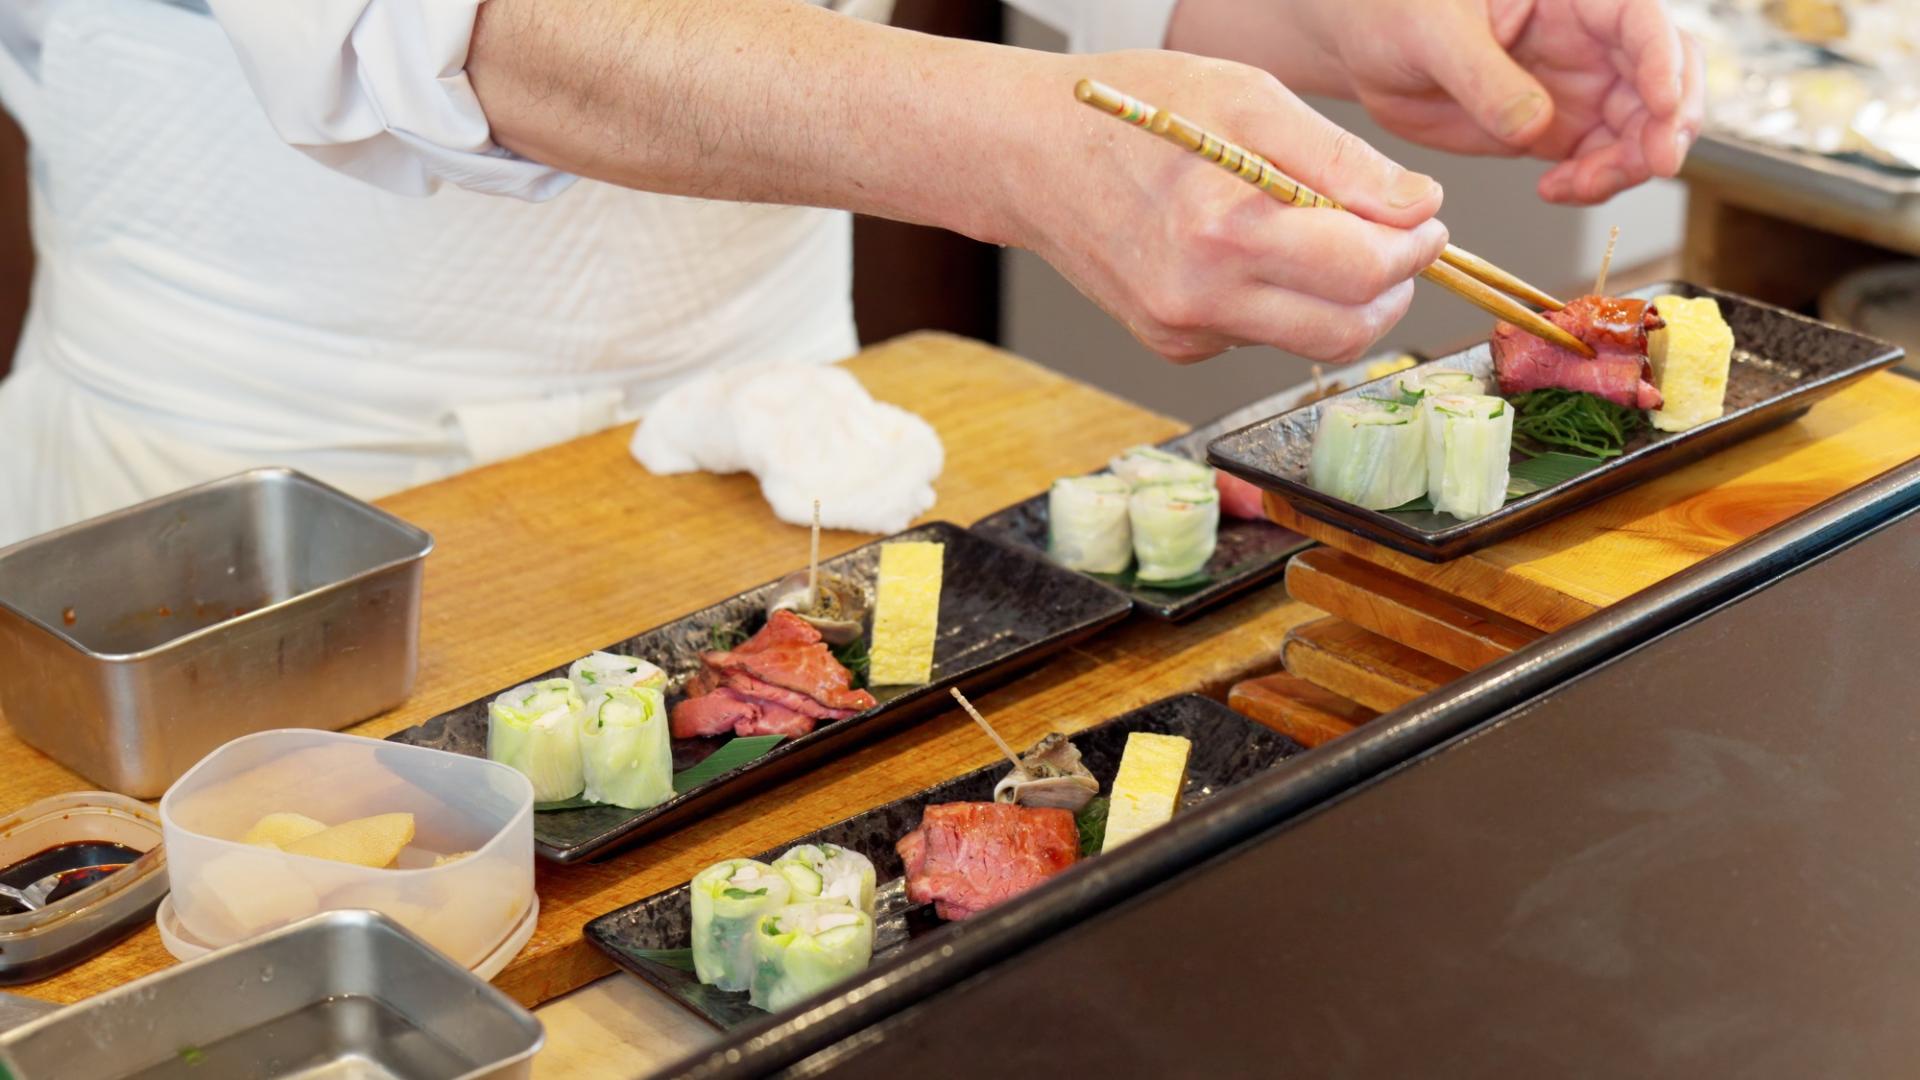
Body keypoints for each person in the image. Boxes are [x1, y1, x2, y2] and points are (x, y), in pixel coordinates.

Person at [0, 0, 1700, 546]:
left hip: (794, 442)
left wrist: (1307, 10)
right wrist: (1024, 147)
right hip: (256, 499)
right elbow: (438, 27)